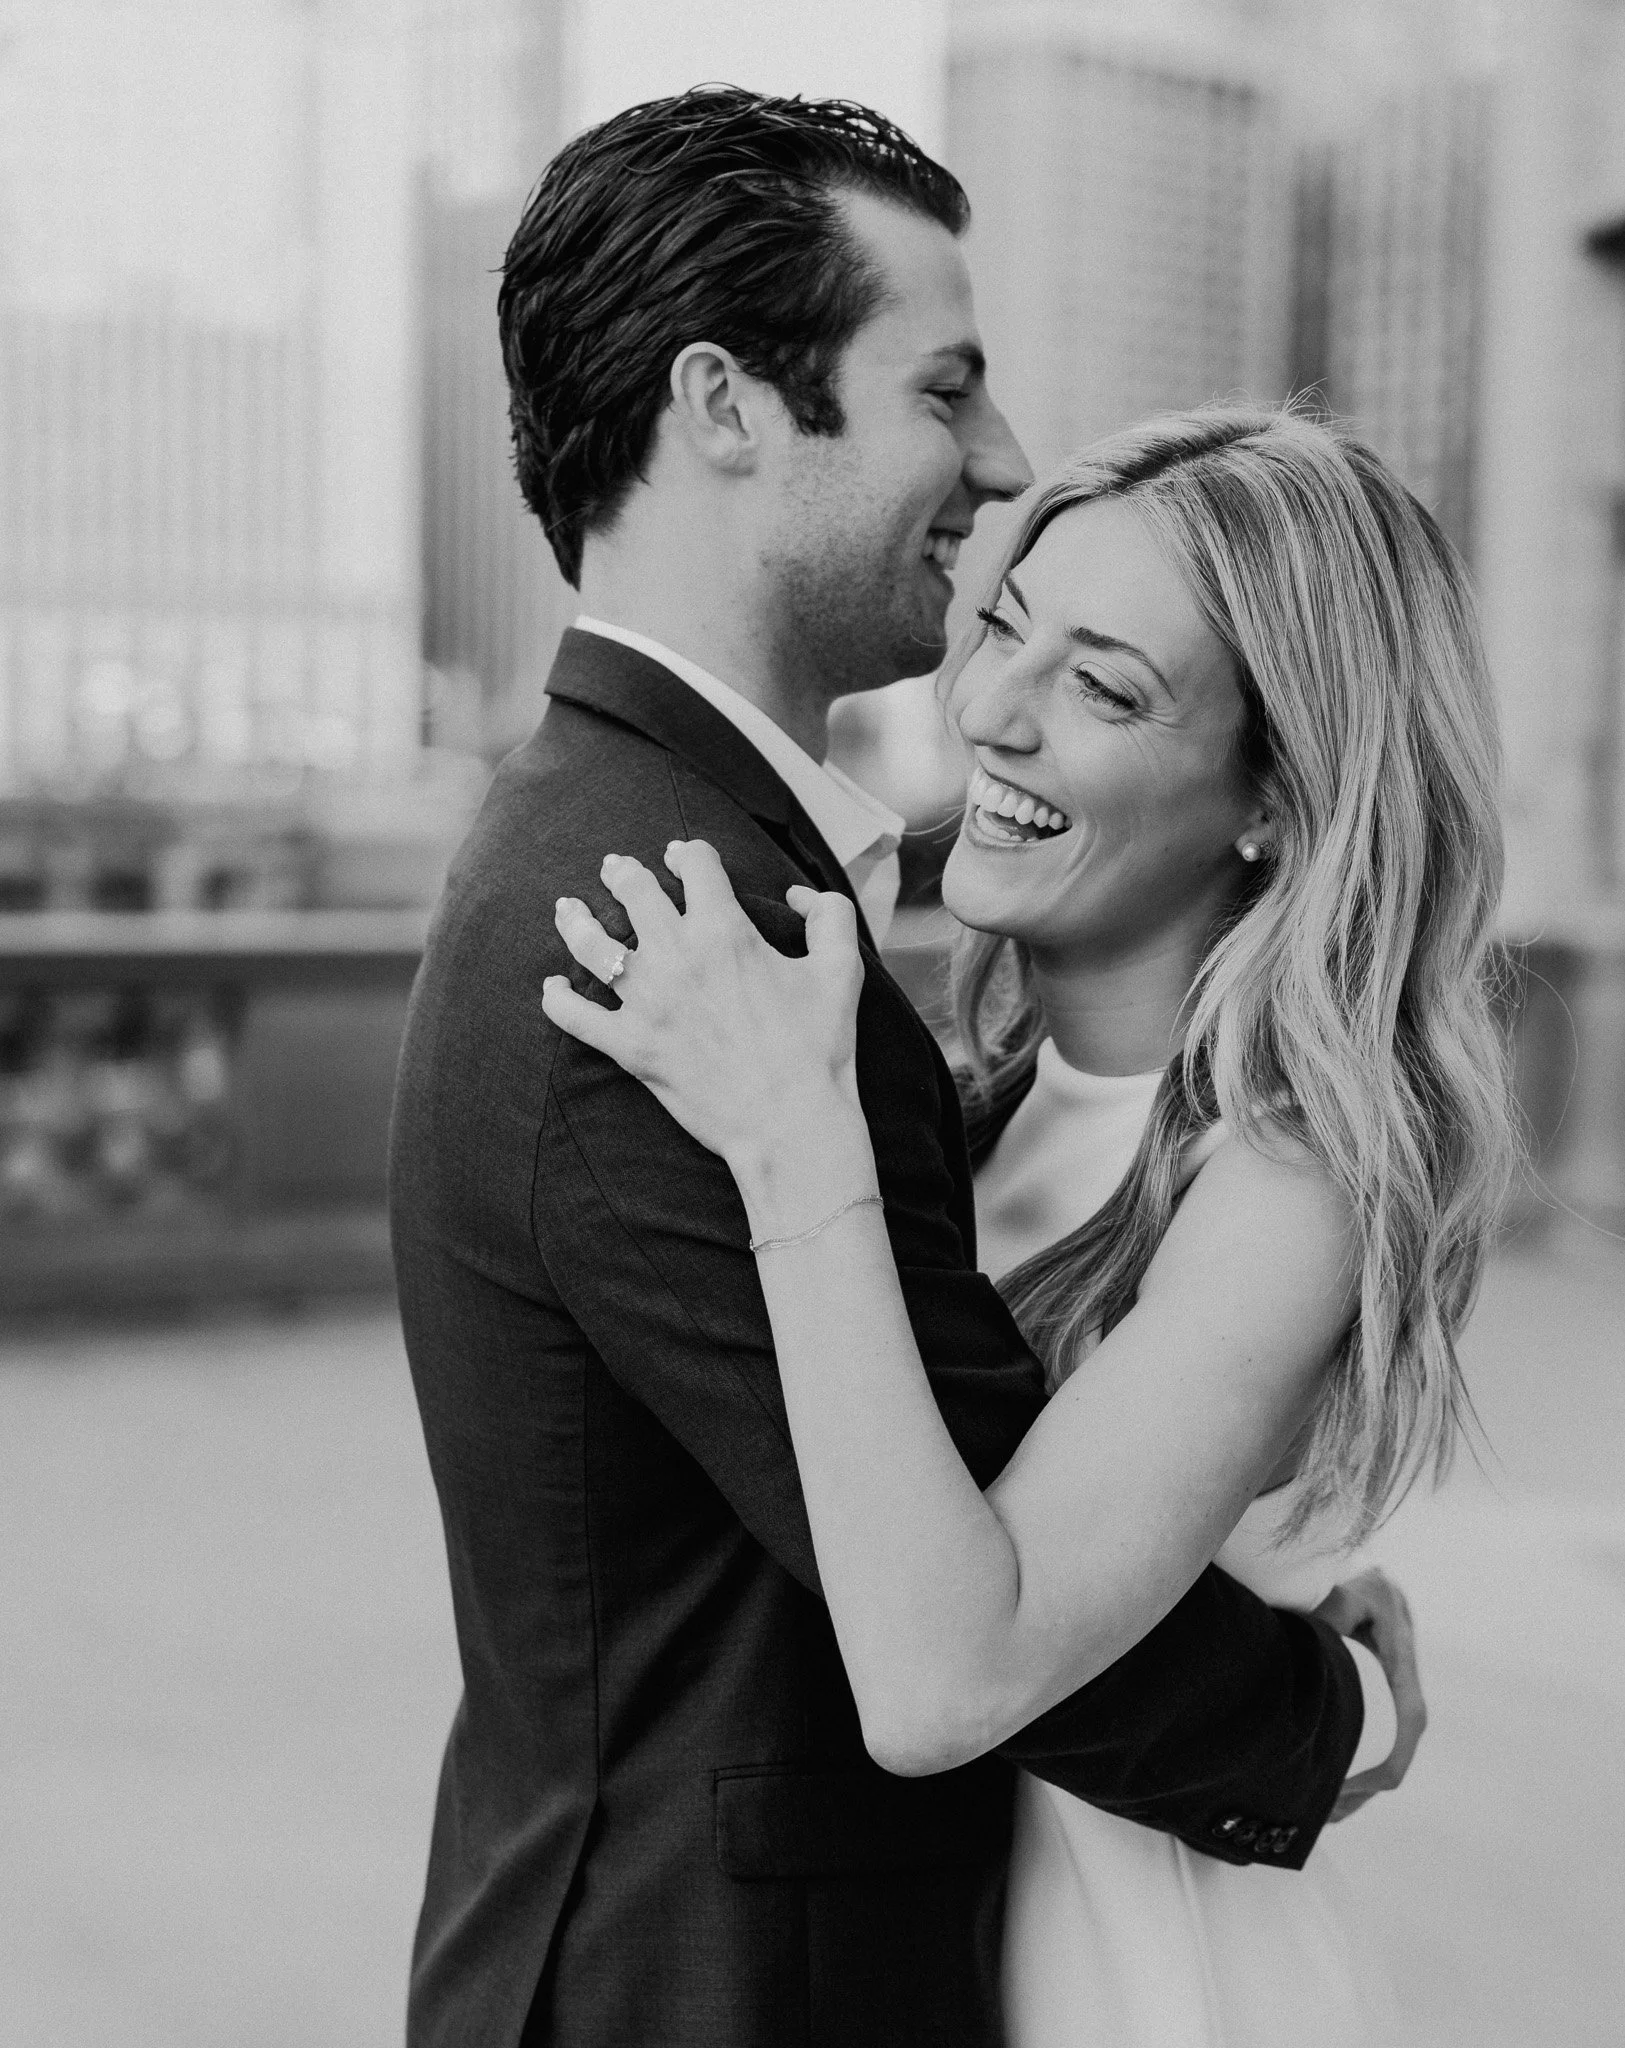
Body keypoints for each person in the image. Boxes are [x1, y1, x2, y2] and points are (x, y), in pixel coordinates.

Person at [390, 90, 1414, 2048]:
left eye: (1102, 677)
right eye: (941, 387)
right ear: (726, 407)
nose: (997, 459)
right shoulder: (674, 933)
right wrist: (1332, 1705)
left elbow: (968, 1528)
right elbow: (968, 1614)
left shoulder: (685, 883)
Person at [543, 403, 1516, 2046]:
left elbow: (945, 1678)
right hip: (912, 1955)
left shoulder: (1294, 1173)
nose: (991, 713)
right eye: (1006, 627)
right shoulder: (978, 1096)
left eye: (1107, 686)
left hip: (1147, 1990)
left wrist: (793, 1148)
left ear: (1274, 794)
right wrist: (1324, 1707)